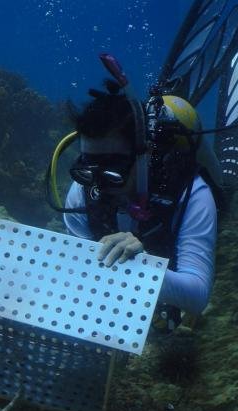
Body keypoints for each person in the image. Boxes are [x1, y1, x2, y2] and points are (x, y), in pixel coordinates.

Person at [62, 84, 219, 331]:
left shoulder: (193, 194)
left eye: (112, 165)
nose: (99, 179)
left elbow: (198, 295)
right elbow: (82, 270)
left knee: (229, 186)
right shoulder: (81, 192)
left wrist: (139, 267)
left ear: (143, 155)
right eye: (89, 163)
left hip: (176, 238)